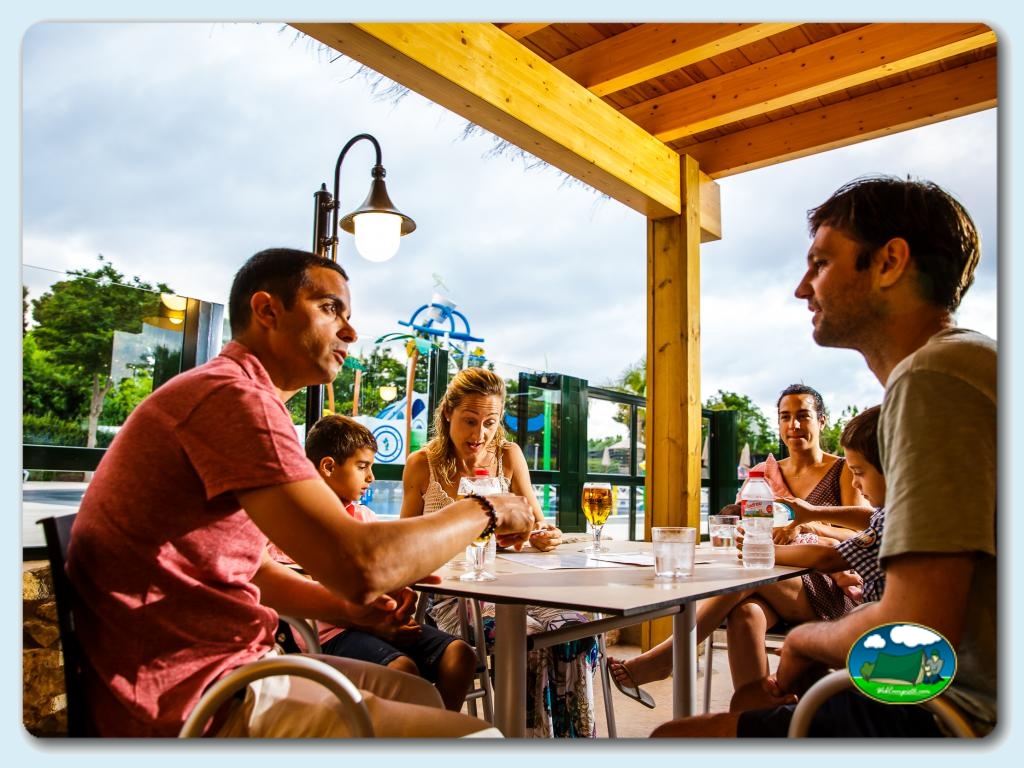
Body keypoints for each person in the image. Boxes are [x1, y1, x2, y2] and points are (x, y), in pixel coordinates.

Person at [66, 247, 535, 737]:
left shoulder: (238, 396)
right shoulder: (234, 398)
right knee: (480, 738)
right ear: (267, 310)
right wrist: (487, 508)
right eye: (331, 308)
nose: (351, 332)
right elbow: (363, 565)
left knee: (418, 692)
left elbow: (249, 568)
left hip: (233, 668)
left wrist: (346, 611)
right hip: (194, 702)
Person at [652, 175, 996, 737]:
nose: (801, 288)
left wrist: (808, 642)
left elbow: (918, 632)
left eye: (820, 263)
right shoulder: (974, 365)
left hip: (953, 715)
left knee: (673, 738)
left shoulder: (933, 379)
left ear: (889, 262)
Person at [609, 384, 870, 702]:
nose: (794, 425)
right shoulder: (763, 475)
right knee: (744, 613)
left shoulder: (843, 469)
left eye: (803, 416)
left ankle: (668, 657)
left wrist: (814, 523)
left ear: (822, 421)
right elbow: (746, 529)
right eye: (785, 417)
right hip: (772, 578)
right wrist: (748, 534)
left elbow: (863, 536)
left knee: (750, 574)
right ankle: (757, 713)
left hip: (829, 585)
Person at [401, 366, 600, 738]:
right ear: (448, 413)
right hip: (452, 595)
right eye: (470, 420)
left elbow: (538, 525)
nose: (480, 434)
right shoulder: (421, 465)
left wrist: (543, 536)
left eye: (490, 422)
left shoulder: (508, 456)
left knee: (574, 628)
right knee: (525, 639)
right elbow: (406, 543)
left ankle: (571, 737)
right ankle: (524, 739)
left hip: (517, 586)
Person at [269, 413, 477, 711]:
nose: (371, 477)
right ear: (328, 467)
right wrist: (375, 624)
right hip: (328, 632)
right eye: (363, 466)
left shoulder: (365, 518)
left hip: (372, 623)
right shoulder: (293, 525)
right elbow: (303, 593)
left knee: (461, 655)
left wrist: (395, 602)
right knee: (402, 670)